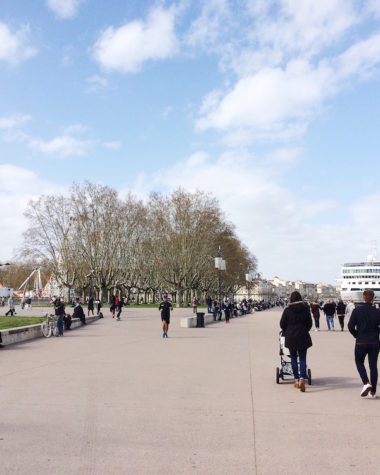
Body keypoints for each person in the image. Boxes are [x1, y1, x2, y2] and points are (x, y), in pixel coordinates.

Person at [348, 290, 380, 398]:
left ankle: (366, 383)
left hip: (361, 341)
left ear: (363, 298)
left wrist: (357, 335)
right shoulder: (377, 311)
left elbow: (350, 326)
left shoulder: (357, 310)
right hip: (374, 342)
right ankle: (373, 392)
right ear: (373, 299)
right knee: (373, 366)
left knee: (359, 361)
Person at [280, 291, 312, 392]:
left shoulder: (287, 310)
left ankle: (296, 379)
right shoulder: (305, 309)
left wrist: (287, 330)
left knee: (293, 358)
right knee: (302, 358)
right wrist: (304, 330)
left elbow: (282, 324)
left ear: (291, 299)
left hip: (291, 337)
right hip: (303, 335)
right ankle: (302, 378)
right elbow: (309, 323)